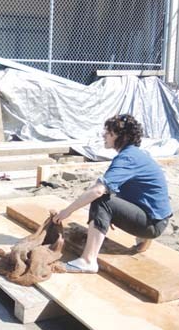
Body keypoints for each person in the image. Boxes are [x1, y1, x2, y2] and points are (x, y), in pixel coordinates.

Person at [52, 114, 172, 273]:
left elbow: (98, 191)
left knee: (102, 201)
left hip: (152, 223)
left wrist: (66, 212)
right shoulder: (135, 154)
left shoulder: (127, 158)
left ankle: (88, 261)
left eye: (110, 133)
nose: (104, 135)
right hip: (157, 218)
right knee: (111, 196)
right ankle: (144, 240)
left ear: (123, 137)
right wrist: (113, 214)